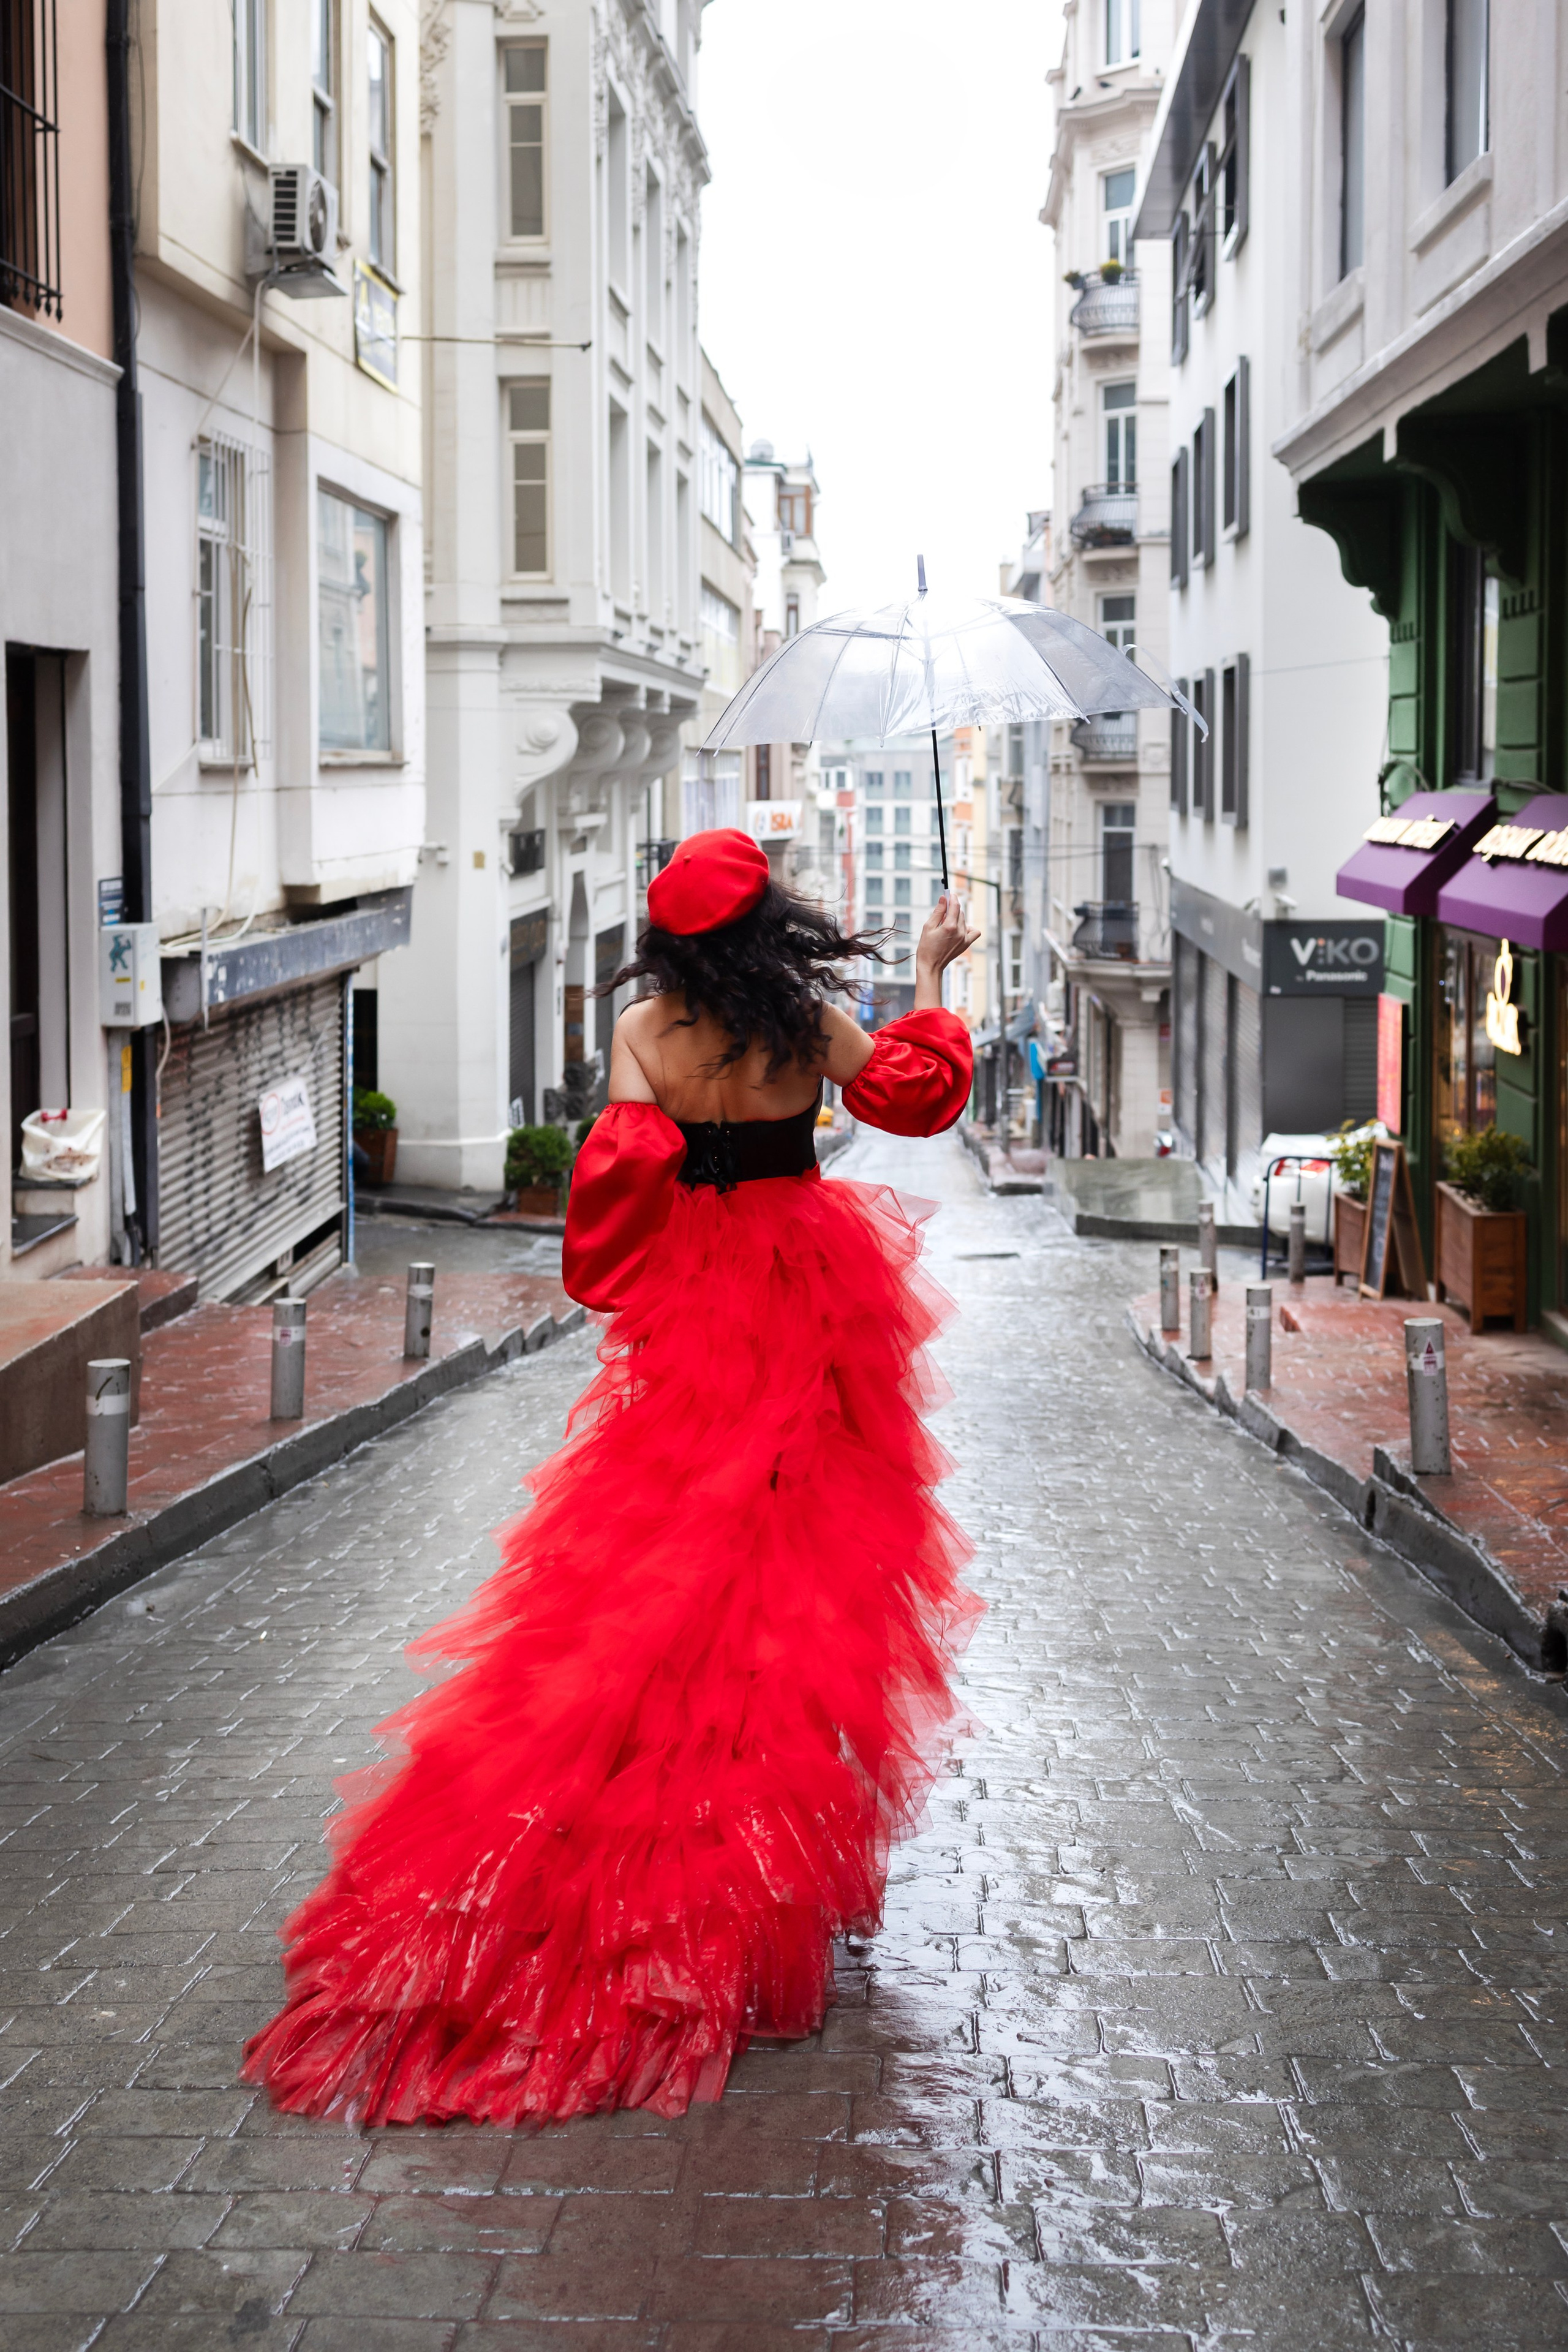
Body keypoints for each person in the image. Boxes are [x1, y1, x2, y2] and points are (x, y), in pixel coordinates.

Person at [243, 828, 982, 2128]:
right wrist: (931, 976)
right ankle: (752, 1883)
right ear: (774, 925)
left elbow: (613, 1194)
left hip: (702, 1304)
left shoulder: (645, 1028)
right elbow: (914, 1097)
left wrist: (647, 1248)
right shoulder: (806, 1020)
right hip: (812, 1294)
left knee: (661, 1551)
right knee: (795, 1582)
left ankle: (608, 1810)